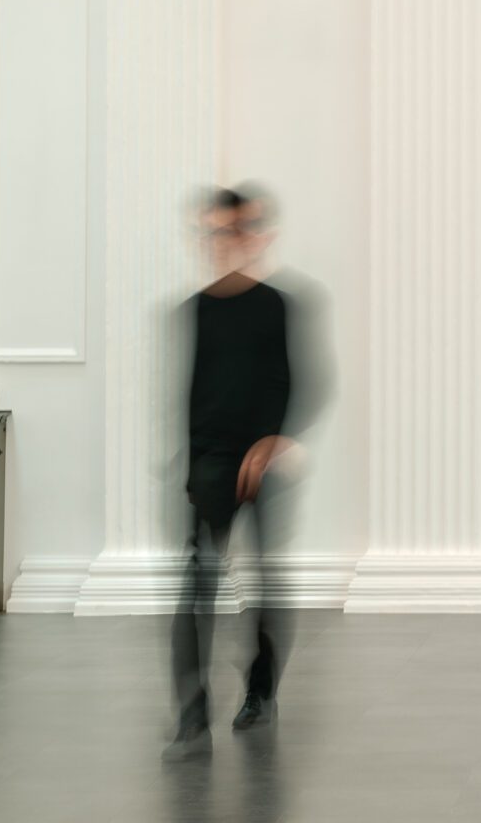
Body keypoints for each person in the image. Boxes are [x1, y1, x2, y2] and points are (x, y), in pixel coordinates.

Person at [166, 184, 328, 762]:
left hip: (263, 465)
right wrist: (190, 473)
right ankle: (191, 714)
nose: (221, 244)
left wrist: (274, 441)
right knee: (196, 587)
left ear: (254, 237)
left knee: (264, 583)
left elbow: (300, 382)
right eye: (211, 233)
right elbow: (192, 395)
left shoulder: (278, 305)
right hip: (211, 463)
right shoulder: (196, 310)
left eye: (232, 232)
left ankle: (261, 691)